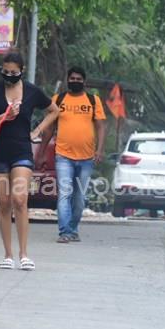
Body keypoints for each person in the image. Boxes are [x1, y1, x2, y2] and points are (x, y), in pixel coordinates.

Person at [0, 50, 60, 270]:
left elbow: (54, 111)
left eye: (13, 73)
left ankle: (24, 254)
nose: (9, 76)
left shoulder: (32, 91)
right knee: (4, 203)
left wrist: (38, 130)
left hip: (22, 151)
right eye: (5, 72)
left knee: (20, 199)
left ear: (21, 71)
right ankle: (8, 255)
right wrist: (4, 117)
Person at [38, 66, 107, 243]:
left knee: (79, 198)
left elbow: (100, 126)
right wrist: (41, 152)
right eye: (72, 78)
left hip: (86, 158)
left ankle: (73, 229)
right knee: (65, 194)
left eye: (78, 79)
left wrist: (99, 150)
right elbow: (49, 129)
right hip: (63, 156)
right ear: (68, 80)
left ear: (84, 81)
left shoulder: (93, 101)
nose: (75, 81)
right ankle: (64, 232)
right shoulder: (58, 100)